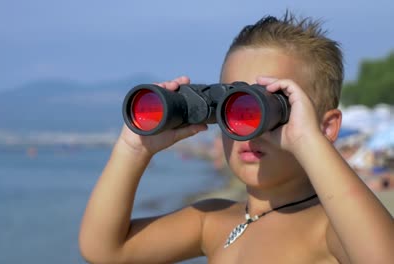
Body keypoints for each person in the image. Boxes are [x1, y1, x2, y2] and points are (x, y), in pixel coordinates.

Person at [80, 12, 394, 263]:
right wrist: (132, 150)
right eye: (233, 107)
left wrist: (308, 142)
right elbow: (106, 251)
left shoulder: (327, 229)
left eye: (265, 107)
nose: (247, 127)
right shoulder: (213, 220)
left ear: (325, 129)